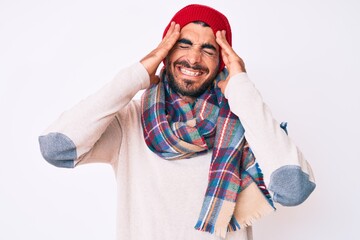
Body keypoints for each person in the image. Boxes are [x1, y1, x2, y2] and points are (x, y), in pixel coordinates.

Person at [38, 4, 315, 240]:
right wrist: (135, 76)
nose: (193, 58)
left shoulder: (244, 121)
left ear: (222, 63)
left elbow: (293, 188)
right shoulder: (130, 121)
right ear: (166, 52)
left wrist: (241, 88)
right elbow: (56, 147)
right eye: (183, 44)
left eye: (208, 50)